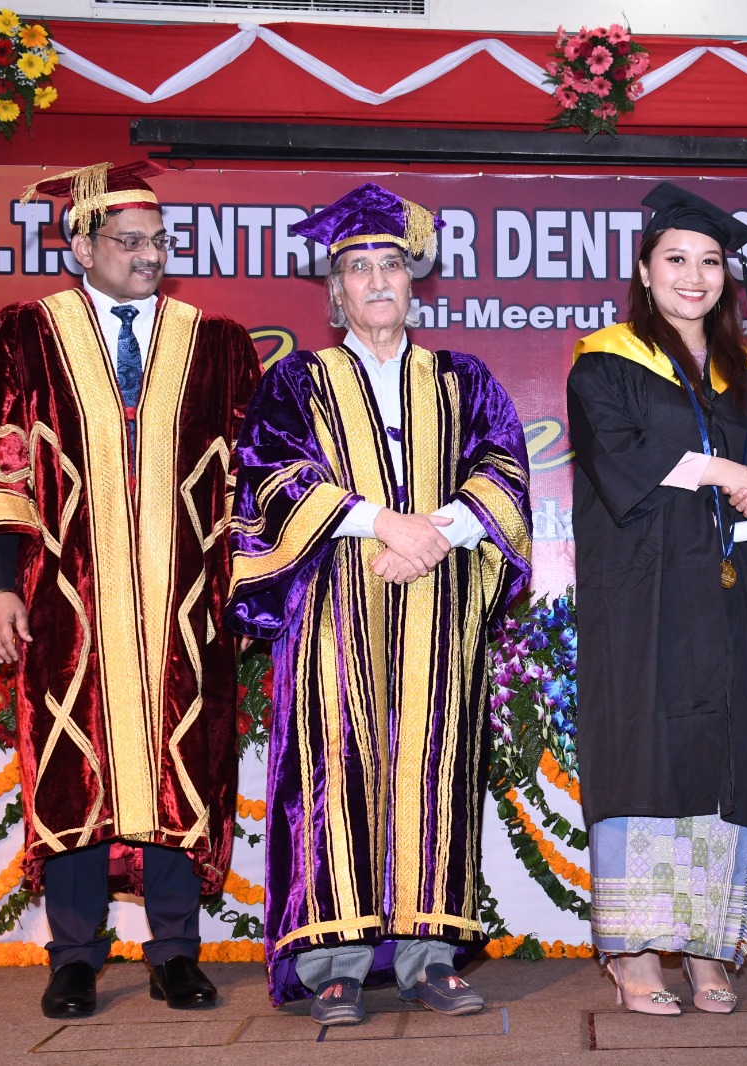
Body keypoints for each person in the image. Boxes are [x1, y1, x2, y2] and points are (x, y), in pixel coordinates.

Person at [0, 161, 260, 1017]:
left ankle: (176, 951)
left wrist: (247, 589)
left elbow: (253, 479)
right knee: (70, 767)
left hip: (183, 604)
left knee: (180, 763)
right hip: (64, 598)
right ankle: (74, 957)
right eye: (130, 241)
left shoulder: (217, 343)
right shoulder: (24, 334)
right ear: (81, 246)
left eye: (159, 241)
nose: (149, 255)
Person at [226, 183, 532, 1025]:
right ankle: (337, 964)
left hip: (440, 604)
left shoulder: (462, 379)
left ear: (413, 278)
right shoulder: (298, 381)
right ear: (335, 291)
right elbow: (272, 479)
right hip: (334, 611)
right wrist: (382, 524)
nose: (376, 281)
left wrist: (435, 535)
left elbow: (503, 472)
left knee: (435, 768)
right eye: (358, 269)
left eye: (390, 265)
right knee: (336, 773)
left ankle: (431, 958)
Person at [567, 182, 747, 1015]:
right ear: (644, 269)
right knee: (643, 753)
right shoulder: (606, 363)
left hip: (726, 598)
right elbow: (619, 467)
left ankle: (705, 948)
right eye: (676, 260)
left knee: (723, 755)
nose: (694, 277)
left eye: (710, 262)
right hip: (642, 596)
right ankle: (632, 953)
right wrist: (727, 470)